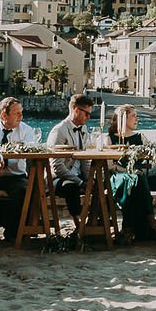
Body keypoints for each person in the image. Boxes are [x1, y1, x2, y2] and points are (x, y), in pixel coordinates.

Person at [0, 97, 38, 242]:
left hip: (15, 176)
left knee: (23, 192)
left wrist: (5, 159)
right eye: (17, 113)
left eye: (21, 113)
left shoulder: (26, 130)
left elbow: (30, 152)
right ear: (4, 115)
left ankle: (14, 232)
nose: (21, 117)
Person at [105, 104, 156, 243]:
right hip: (117, 177)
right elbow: (110, 166)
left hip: (136, 178)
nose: (137, 119)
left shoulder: (140, 137)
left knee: (136, 179)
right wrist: (126, 170)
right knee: (136, 178)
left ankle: (128, 229)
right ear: (122, 119)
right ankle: (148, 216)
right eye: (133, 116)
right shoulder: (109, 138)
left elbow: (153, 158)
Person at [44, 93, 100, 224]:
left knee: (100, 184)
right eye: (86, 113)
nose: (89, 117)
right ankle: (78, 223)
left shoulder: (84, 129)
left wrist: (89, 179)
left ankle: (95, 221)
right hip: (58, 178)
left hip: (78, 175)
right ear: (75, 109)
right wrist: (81, 183)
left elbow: (85, 160)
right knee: (71, 187)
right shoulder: (59, 131)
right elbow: (57, 167)